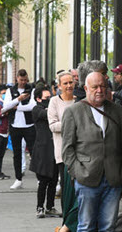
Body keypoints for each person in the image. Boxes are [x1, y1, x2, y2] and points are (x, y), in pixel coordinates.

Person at [62, 72, 122, 232]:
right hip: (87, 180)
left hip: (113, 180)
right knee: (86, 226)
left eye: (103, 86)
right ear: (86, 88)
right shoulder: (74, 112)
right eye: (95, 87)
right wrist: (79, 172)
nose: (100, 90)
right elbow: (67, 150)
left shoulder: (117, 111)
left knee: (108, 226)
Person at [48, 72, 77, 232]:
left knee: (77, 190)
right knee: (66, 190)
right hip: (62, 153)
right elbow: (52, 125)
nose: (68, 86)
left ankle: (72, 224)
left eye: (71, 82)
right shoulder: (54, 102)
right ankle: (66, 222)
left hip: (80, 152)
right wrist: (73, 123)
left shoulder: (79, 101)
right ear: (59, 86)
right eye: (65, 83)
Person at [2, 69, 37, 190]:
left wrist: (16, 107)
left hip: (29, 125)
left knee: (34, 152)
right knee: (16, 153)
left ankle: (39, 178)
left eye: (25, 80)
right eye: (21, 80)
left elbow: (32, 106)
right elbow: (5, 106)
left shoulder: (31, 89)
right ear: (17, 78)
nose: (23, 82)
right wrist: (19, 99)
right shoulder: (10, 90)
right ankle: (18, 179)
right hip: (15, 125)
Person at [31, 87, 61, 218]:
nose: (49, 100)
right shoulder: (37, 109)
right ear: (38, 99)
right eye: (46, 98)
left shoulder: (52, 109)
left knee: (54, 180)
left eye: (51, 97)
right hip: (43, 150)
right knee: (43, 181)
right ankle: (39, 207)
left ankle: (50, 206)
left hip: (55, 148)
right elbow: (45, 115)